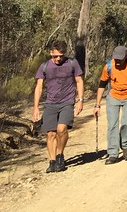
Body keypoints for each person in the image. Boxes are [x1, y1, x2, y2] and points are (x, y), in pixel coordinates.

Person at [32, 41, 84, 173]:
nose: (58, 59)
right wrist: (36, 107)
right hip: (50, 103)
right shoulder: (45, 66)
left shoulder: (72, 64)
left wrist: (80, 100)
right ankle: (52, 161)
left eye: (61, 55)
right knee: (51, 134)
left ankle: (60, 155)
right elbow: (39, 86)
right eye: (55, 56)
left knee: (62, 129)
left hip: (67, 102)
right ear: (51, 53)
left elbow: (79, 81)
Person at [94, 45, 127, 163]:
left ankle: (125, 146)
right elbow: (102, 85)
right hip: (113, 97)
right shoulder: (109, 66)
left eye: (120, 58)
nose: (118, 61)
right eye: (116, 58)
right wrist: (97, 105)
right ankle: (113, 154)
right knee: (112, 125)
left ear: (126, 56)